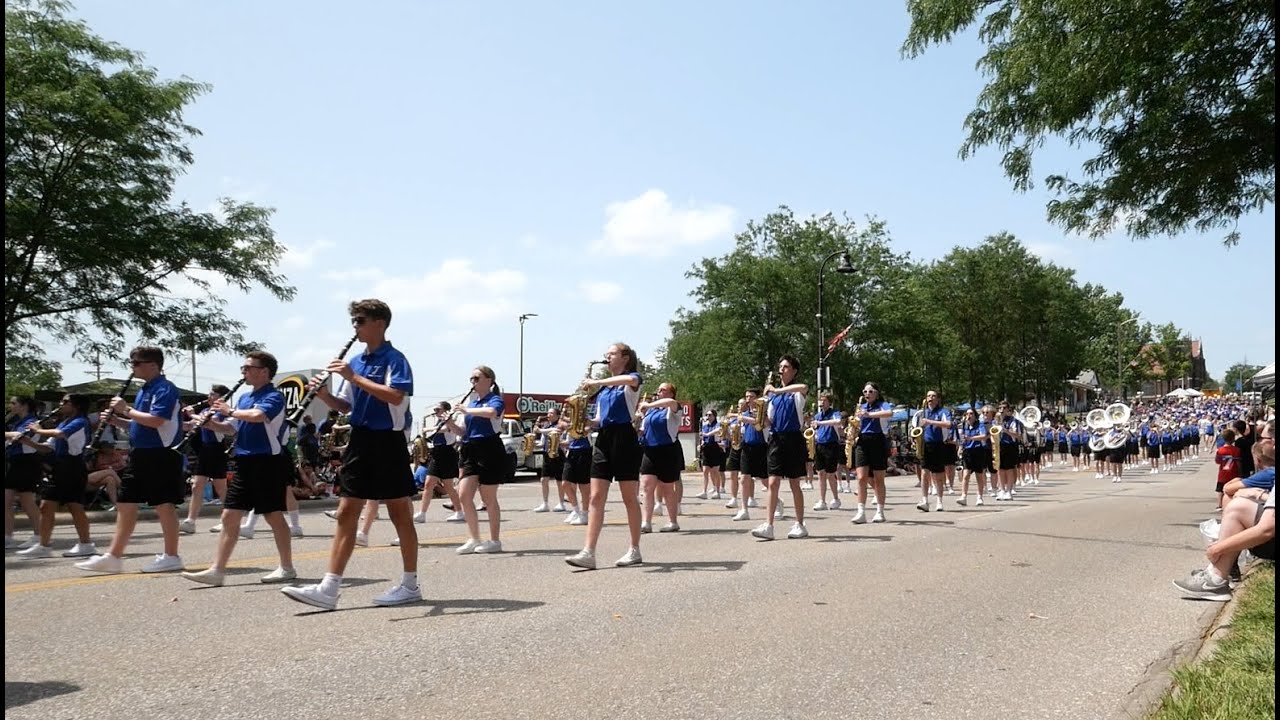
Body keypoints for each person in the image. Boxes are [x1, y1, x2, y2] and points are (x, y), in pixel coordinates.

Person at [281, 299, 420, 610]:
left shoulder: (395, 359)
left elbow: (396, 395)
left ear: (379, 323)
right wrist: (323, 395)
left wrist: (353, 377)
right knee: (346, 513)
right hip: (360, 440)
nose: (355, 327)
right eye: (354, 321)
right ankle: (329, 588)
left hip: (388, 441)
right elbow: (346, 407)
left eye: (360, 321)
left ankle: (410, 584)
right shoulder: (355, 361)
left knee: (400, 514)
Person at [181, 351, 296, 586]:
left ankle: (286, 567)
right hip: (245, 462)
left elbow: (258, 415)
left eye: (248, 367)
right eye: (243, 368)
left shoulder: (273, 397)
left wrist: (228, 411)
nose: (243, 372)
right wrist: (205, 422)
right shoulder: (244, 397)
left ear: (264, 371)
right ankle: (217, 570)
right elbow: (232, 429)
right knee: (229, 515)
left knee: (273, 515)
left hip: (267, 462)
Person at [76, 346, 186, 574]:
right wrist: (118, 421)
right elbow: (140, 423)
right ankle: (113, 556)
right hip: (141, 453)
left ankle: (171, 556)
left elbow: (157, 420)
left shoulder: (165, 388)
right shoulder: (144, 389)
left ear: (153, 365)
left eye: (136, 363)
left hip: (162, 453)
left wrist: (126, 410)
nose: (132, 367)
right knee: (126, 503)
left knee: (164, 505)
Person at [565, 342, 644, 569]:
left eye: (611, 354)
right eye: (606, 354)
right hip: (603, 439)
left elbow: (629, 381)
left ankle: (634, 549)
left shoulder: (633, 379)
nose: (607, 357)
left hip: (624, 438)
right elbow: (600, 418)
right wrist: (585, 422)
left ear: (625, 357)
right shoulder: (604, 390)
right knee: (595, 497)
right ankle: (588, 552)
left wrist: (596, 381)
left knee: (629, 497)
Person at [13, 393, 98, 558]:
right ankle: (47, 545)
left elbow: (60, 434)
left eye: (65, 402)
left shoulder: (80, 422)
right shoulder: (64, 422)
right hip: (60, 468)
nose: (61, 404)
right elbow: (48, 448)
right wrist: (27, 441)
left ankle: (82, 544)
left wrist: (40, 430)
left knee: (73, 507)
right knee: (53, 506)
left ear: (76, 406)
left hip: (72, 467)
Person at [750, 355, 811, 541]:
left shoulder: (796, 393)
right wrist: (759, 416)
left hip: (793, 439)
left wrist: (776, 390)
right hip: (776, 439)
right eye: (780, 367)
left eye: (785, 367)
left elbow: (803, 387)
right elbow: (770, 421)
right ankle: (769, 525)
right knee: (772, 482)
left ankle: (800, 524)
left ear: (794, 371)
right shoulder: (774, 399)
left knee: (794, 483)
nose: (781, 370)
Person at [454, 366, 507, 555]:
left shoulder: (494, 399)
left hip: (489, 448)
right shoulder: (473, 402)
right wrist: (450, 422)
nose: (473, 382)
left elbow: (492, 412)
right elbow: (463, 432)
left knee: (488, 497)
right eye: (471, 379)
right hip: (470, 448)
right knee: (464, 495)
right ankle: (474, 538)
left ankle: (494, 540)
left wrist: (467, 410)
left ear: (489, 380)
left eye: (476, 378)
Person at [180, 384, 233, 536]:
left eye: (212, 394)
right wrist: (174, 421)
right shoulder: (204, 411)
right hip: (204, 450)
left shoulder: (222, 411)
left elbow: (210, 423)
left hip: (217, 450)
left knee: (220, 487)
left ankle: (228, 519)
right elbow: (190, 426)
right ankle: (190, 521)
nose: (209, 397)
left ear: (221, 397)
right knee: (197, 485)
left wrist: (191, 414)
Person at [638, 382, 683, 532]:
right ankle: (646, 522)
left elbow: (670, 403)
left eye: (663, 390)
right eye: (658, 390)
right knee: (647, 485)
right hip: (650, 450)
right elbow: (643, 430)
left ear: (671, 393)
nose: (658, 392)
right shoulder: (651, 412)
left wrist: (648, 405)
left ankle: (673, 521)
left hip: (668, 451)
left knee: (667, 487)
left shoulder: (673, 409)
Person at [413, 401, 465, 524]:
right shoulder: (438, 421)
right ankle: (422, 513)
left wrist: (427, 429)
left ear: (445, 410)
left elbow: (445, 429)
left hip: (447, 454)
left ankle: (459, 511)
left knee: (448, 486)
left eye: (438, 409)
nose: (435, 412)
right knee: (428, 484)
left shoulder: (450, 421)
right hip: (436, 453)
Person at [850, 382, 895, 524]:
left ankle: (880, 511)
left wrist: (869, 414)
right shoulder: (861, 407)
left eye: (870, 391)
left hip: (878, 440)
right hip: (863, 441)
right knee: (861, 477)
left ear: (876, 393)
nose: (867, 394)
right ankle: (861, 511)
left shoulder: (883, 405)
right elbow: (857, 422)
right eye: (865, 391)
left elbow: (889, 413)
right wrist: (853, 427)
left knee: (878, 478)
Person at [4, 395, 44, 549]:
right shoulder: (16, 422)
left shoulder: (32, 422)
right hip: (16, 462)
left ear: (24, 406)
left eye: (14, 403)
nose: (10, 405)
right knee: (8, 500)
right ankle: (8, 536)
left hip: (27, 462)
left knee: (27, 501)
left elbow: (18, 436)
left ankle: (39, 535)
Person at [916, 390, 953, 512]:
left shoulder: (943, 412)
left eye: (933, 396)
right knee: (924, 473)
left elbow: (948, 424)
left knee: (938, 475)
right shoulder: (922, 413)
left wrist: (930, 422)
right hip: (925, 444)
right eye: (928, 396)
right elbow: (916, 428)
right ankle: (925, 500)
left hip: (938, 444)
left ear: (938, 399)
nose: (930, 398)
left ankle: (939, 501)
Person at [809, 392, 844, 511]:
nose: (821, 403)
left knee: (830, 474)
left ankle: (835, 498)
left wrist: (820, 423)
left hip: (831, 445)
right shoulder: (818, 415)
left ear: (829, 402)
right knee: (820, 473)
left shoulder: (834, 413)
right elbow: (815, 429)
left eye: (824, 400)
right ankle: (822, 500)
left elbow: (838, 422)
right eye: (820, 400)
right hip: (820, 445)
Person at [956, 408, 990, 506]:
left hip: (978, 450)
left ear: (975, 416)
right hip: (967, 451)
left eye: (971, 414)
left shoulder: (980, 425)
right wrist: (960, 448)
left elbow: (983, 436)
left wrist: (971, 438)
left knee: (979, 476)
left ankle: (979, 497)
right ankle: (963, 496)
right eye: (967, 414)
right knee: (965, 475)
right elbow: (962, 438)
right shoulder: (963, 425)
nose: (969, 416)